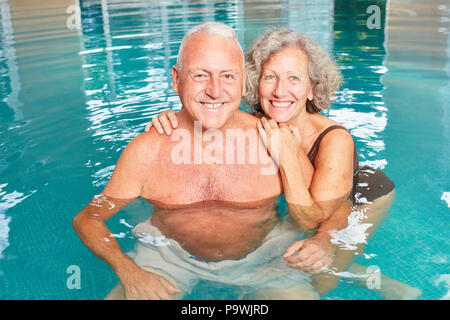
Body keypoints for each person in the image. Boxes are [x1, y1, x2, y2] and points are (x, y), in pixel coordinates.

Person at [73, 22, 348, 300]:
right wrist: (129, 272)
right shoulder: (147, 149)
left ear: (243, 82)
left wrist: (323, 239)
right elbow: (88, 220)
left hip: (264, 258)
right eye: (200, 75)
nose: (215, 91)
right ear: (176, 79)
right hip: (170, 259)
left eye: (227, 76)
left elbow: (331, 207)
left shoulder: (273, 139)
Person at [146, 28, 422, 299]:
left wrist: (289, 159)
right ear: (255, 82)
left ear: (312, 88)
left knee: (320, 282)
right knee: (297, 264)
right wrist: (172, 120)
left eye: (294, 78)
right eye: (270, 77)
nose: (280, 91)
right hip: (314, 200)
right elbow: (207, 118)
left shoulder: (334, 140)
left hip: (361, 195)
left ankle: (384, 283)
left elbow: (321, 214)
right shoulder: (254, 121)